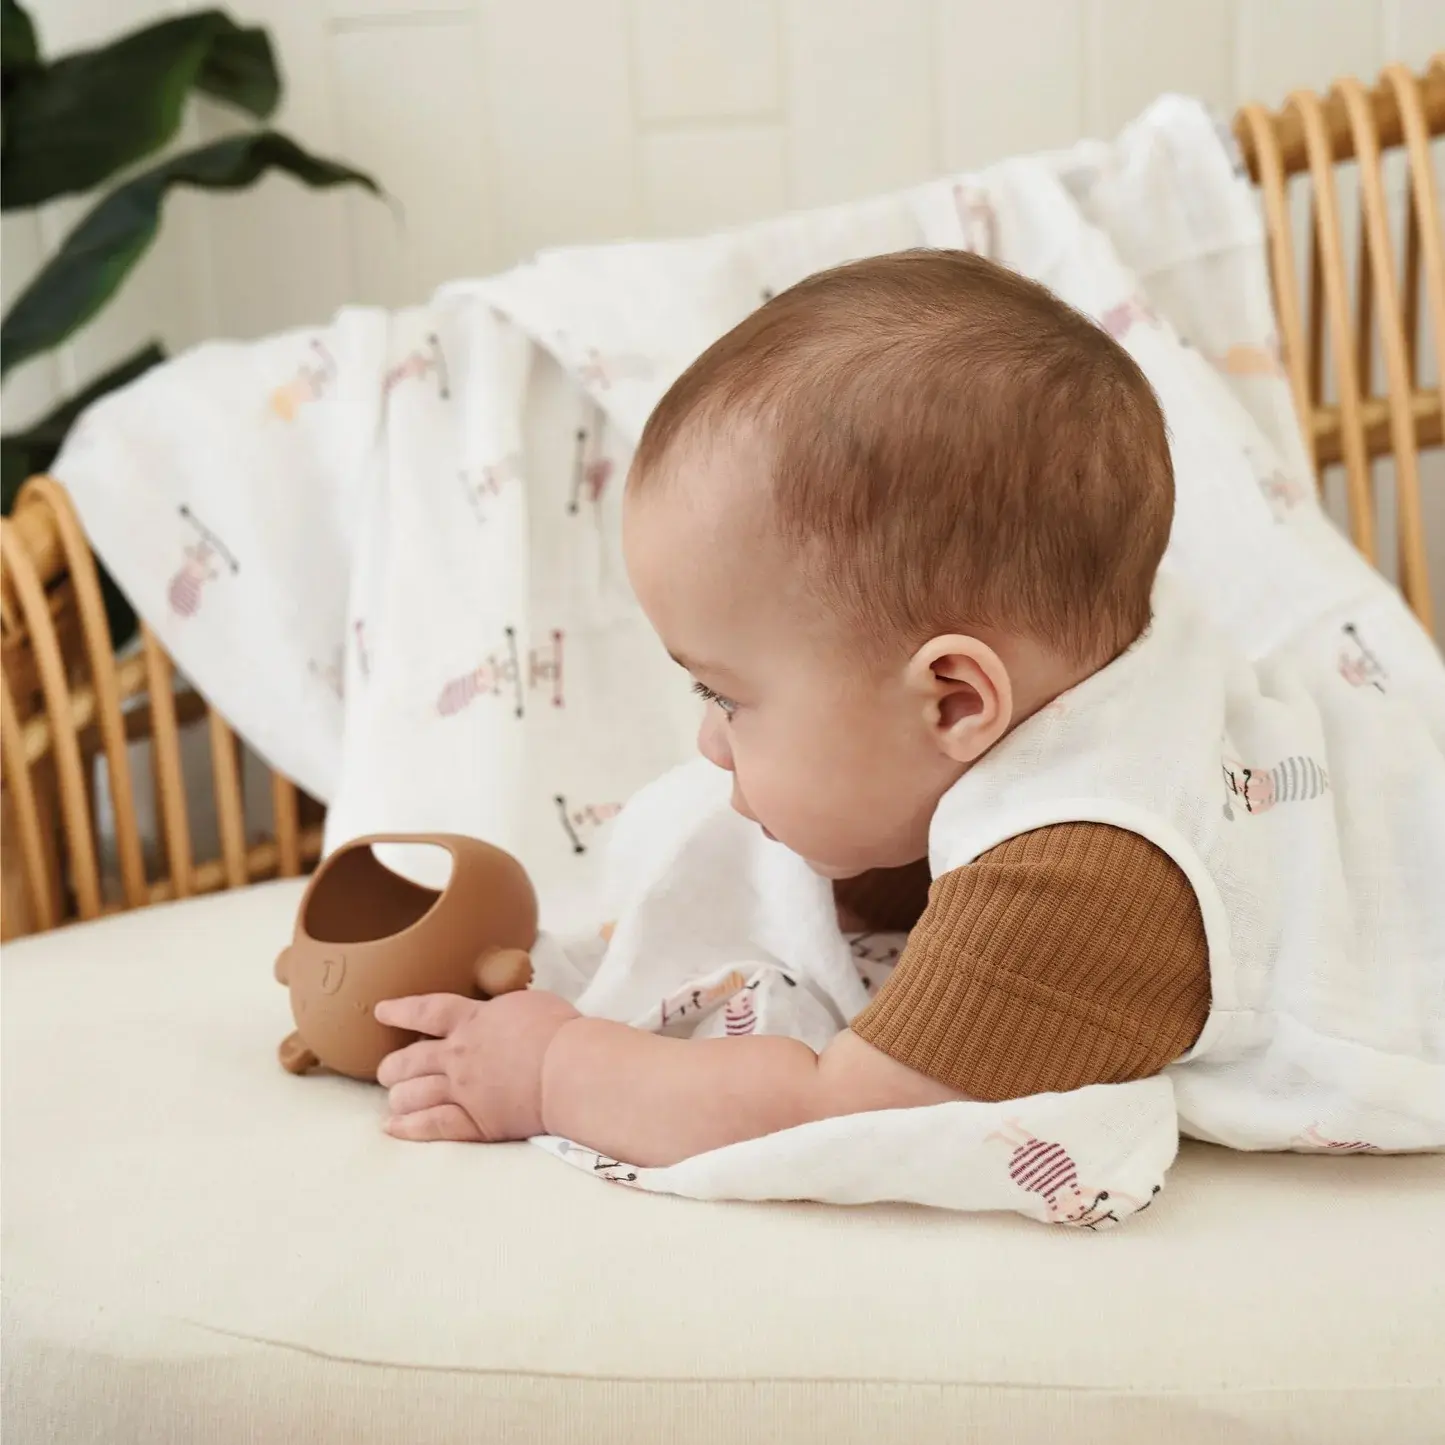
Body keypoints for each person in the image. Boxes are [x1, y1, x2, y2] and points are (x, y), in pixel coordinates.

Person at [371, 250, 1221, 1164]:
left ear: (953, 702)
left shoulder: (1082, 874)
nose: (709, 743)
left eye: (725, 696)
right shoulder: (1046, 686)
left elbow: (838, 1113)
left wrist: (551, 1070)